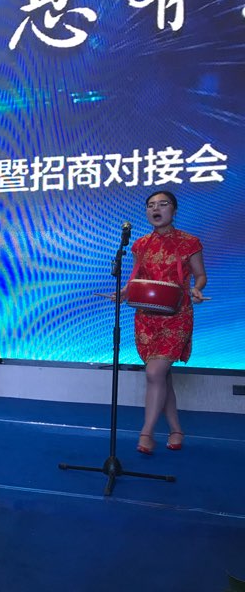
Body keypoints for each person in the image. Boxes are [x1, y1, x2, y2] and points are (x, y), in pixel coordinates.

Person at [123, 191, 207, 454]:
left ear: (174, 210)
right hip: (146, 316)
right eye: (150, 205)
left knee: (154, 373)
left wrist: (197, 289)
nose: (155, 209)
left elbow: (200, 275)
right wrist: (124, 292)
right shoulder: (140, 244)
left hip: (176, 315)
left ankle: (146, 434)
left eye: (162, 204)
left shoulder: (189, 242)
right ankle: (176, 429)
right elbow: (136, 278)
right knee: (161, 376)